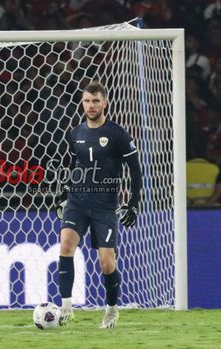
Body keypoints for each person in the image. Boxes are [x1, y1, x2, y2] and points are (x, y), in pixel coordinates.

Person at [54, 81, 142, 329]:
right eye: (86, 101)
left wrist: (133, 204)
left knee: (106, 263)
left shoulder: (118, 134)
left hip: (105, 207)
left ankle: (112, 310)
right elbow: (69, 167)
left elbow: (135, 172)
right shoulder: (75, 133)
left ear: (105, 103)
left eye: (95, 101)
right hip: (77, 202)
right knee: (66, 245)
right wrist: (62, 195)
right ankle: (66, 308)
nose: (90, 106)